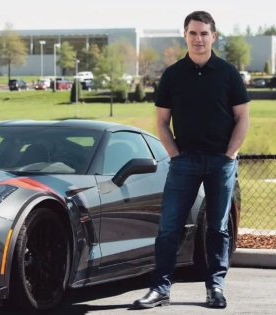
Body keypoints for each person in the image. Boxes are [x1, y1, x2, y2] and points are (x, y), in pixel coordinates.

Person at [132, 10, 250, 310]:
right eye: (193, 33)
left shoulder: (228, 74)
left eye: (204, 33)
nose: (198, 38)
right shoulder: (172, 75)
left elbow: (242, 118)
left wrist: (229, 155)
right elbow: (161, 122)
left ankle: (215, 289)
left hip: (220, 162)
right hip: (183, 162)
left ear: (213, 36)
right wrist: (174, 154)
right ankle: (160, 290)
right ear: (185, 35)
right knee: (169, 227)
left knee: (217, 228)